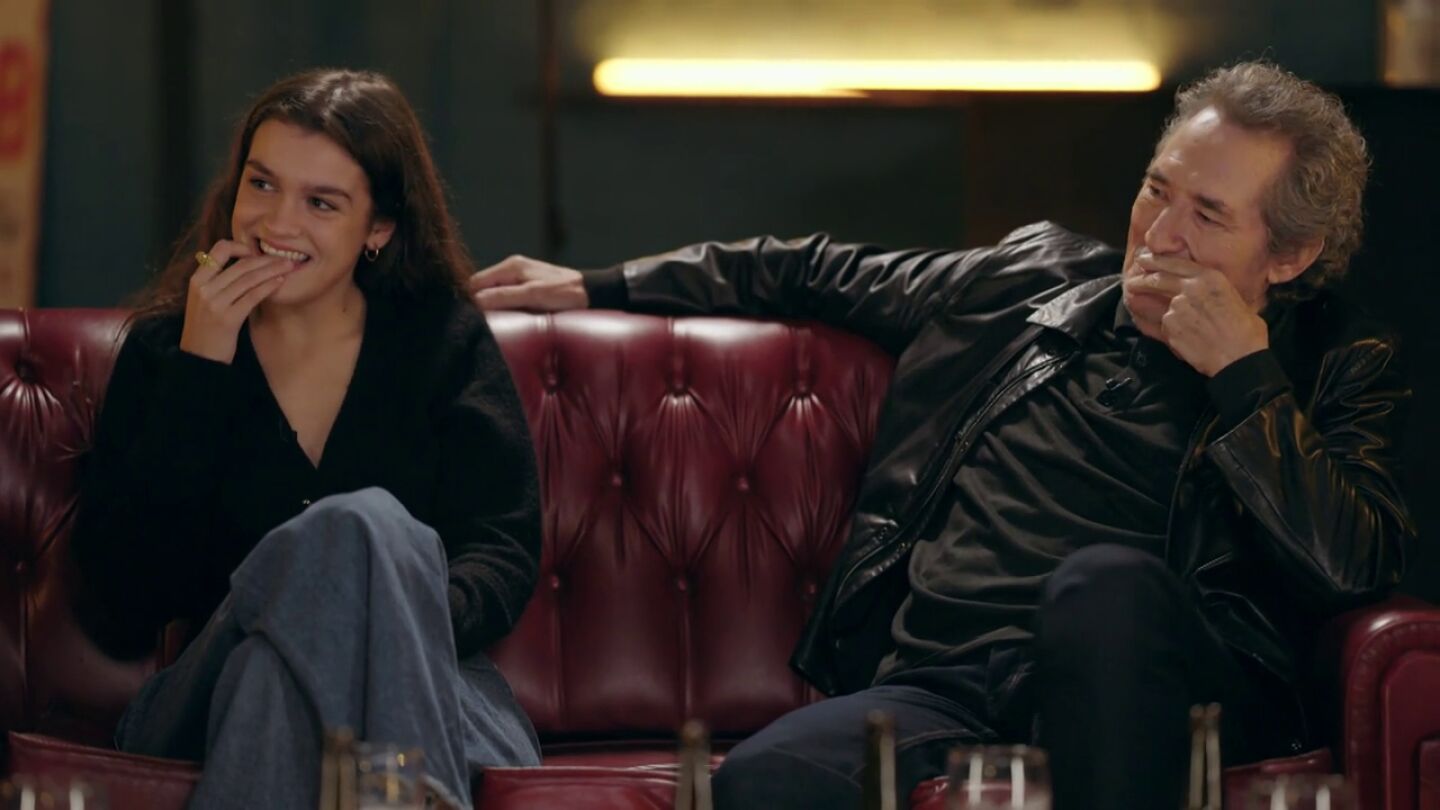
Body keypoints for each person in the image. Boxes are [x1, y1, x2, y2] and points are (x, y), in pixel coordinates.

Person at [467, 61, 1415, 808]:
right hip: (947, 682)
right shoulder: (1029, 282)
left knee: (1102, 588)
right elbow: (812, 270)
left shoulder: (1336, 362)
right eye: (1154, 190)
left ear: (1290, 255)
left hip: (1151, 680)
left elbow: (1352, 563)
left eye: (1206, 216)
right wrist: (599, 285)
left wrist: (1245, 378)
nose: (1160, 236)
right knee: (762, 779)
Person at [71, 69, 542, 810]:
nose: (277, 223)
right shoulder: (170, 354)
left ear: (378, 229)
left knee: (291, 646)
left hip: (434, 685)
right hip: (204, 691)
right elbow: (124, 598)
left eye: (321, 202)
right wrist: (202, 370)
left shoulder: (439, 343)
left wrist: (381, 610)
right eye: (262, 184)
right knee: (360, 522)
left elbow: (502, 548)